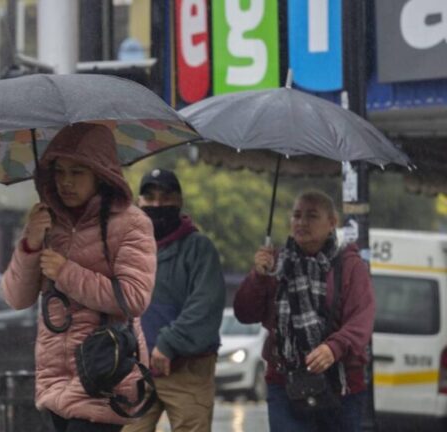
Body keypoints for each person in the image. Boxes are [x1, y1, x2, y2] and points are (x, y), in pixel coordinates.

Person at [1, 122, 157, 431]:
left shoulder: (131, 223)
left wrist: (66, 272)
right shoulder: (47, 222)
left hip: (102, 376)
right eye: (59, 172)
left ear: (101, 175)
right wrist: (30, 244)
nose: (65, 183)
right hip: (53, 380)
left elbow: (134, 298)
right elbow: (16, 298)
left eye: (77, 173)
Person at [233, 190, 375, 432]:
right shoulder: (275, 263)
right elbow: (244, 313)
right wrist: (258, 276)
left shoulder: (350, 266)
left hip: (341, 388)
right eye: (296, 215)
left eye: (311, 216)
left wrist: (333, 348)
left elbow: (361, 320)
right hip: (285, 384)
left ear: (332, 223)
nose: (301, 222)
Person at [123, 168, 226, 432]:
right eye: (150, 197)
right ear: (139, 202)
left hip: (188, 369)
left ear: (179, 201)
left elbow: (205, 305)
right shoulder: (128, 248)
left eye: (166, 196)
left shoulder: (199, 248)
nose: (157, 204)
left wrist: (168, 344)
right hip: (134, 370)